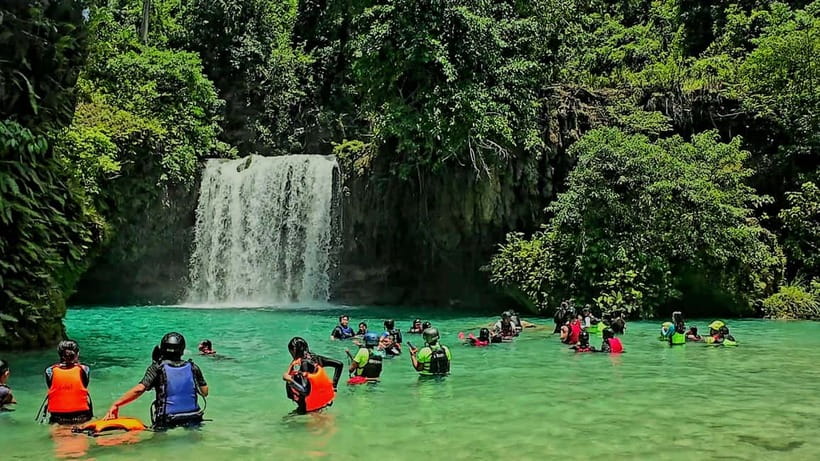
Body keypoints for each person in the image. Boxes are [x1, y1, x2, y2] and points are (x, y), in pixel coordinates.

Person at [104, 332, 208, 429]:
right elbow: (205, 392)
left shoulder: (157, 368)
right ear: (182, 350)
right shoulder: (193, 367)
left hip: (167, 420)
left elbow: (139, 389)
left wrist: (116, 404)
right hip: (194, 417)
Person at [282, 337, 344, 414]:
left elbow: (305, 391)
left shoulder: (304, 364)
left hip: (307, 407)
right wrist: (334, 387)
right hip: (321, 403)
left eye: (291, 352)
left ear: (294, 351)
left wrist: (290, 380)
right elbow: (339, 365)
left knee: (287, 423)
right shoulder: (316, 359)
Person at [45, 340, 93, 425]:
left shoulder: (50, 371)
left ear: (59, 354)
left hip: (57, 417)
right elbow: (84, 385)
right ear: (77, 354)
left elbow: (51, 387)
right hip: (82, 416)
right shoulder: (84, 369)